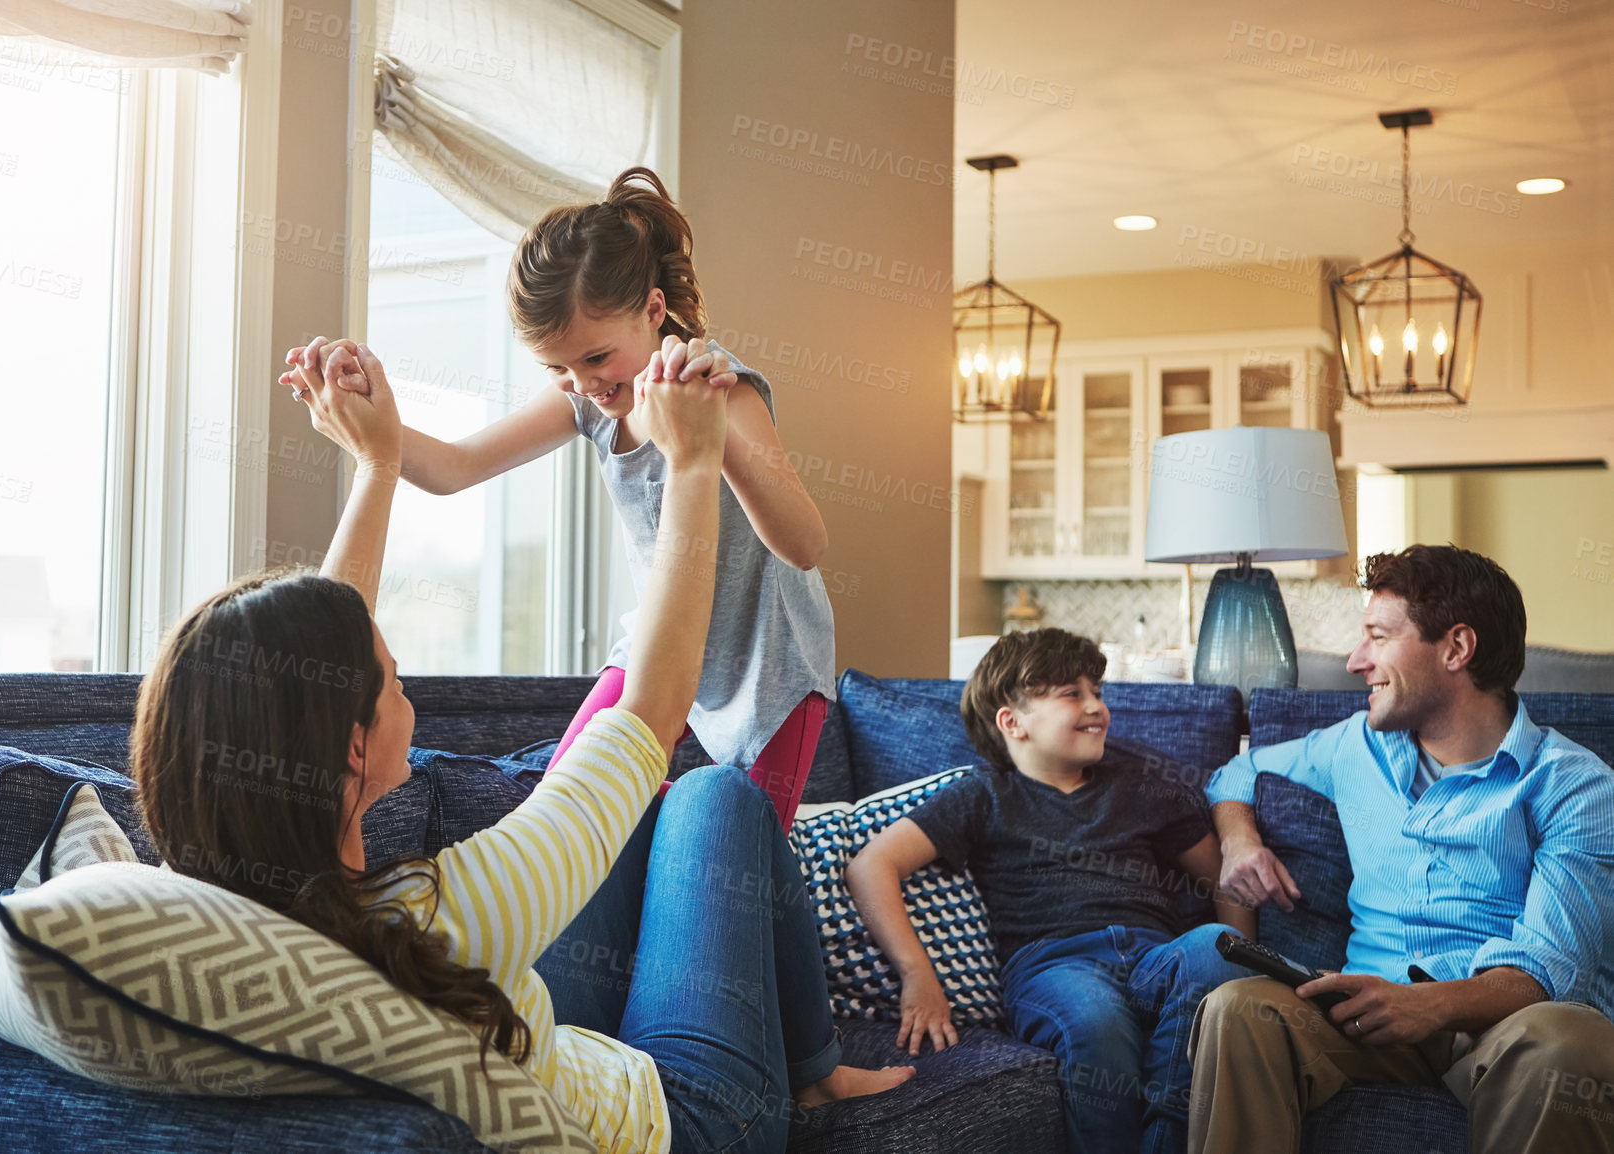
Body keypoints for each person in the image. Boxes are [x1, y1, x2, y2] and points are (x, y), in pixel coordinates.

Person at [140, 340, 911, 1154]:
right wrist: (690, 464)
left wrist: (377, 461)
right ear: (351, 752)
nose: (405, 683)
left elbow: (315, 669)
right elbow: (651, 711)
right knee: (711, 795)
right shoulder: (449, 913)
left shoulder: (203, 901)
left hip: (531, 1040)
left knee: (647, 825)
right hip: (686, 1120)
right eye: (392, 679)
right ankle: (807, 1075)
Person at [278, 166, 833, 832]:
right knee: (563, 812)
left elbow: (804, 544)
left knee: (746, 843)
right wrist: (362, 418)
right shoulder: (585, 397)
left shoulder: (724, 392)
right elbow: (454, 469)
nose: (581, 382)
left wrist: (706, 440)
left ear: (654, 312)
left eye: (596, 358)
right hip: (656, 644)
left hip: (767, 664)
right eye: (556, 367)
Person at [1190, 544, 1614, 1154]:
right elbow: (1237, 773)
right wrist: (1239, 842)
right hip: (1364, 1016)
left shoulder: (1575, 784)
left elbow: (1545, 971)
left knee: (1570, 1039)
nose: (1356, 660)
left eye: (1377, 637)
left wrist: (1428, 1004)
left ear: (1456, 648)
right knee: (1239, 1008)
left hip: (1500, 1026)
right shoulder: (1353, 746)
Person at [845, 627, 1255, 1154]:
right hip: (1055, 965)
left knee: (1215, 948)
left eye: (1097, 692)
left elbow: (1226, 880)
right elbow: (871, 865)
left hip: (1155, 957)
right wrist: (917, 975)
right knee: (1096, 1022)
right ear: (1012, 723)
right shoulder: (983, 793)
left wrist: (1245, 962)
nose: (1096, 706)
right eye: (1071, 694)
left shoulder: (1141, 786)